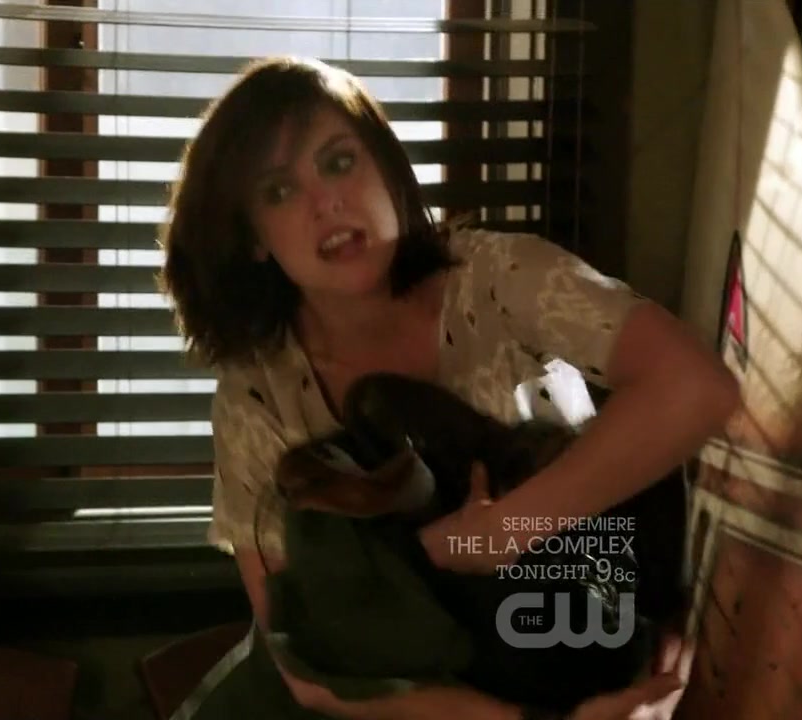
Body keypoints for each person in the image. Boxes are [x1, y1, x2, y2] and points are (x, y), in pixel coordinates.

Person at [157, 56, 740, 720]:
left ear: (386, 167)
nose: (327, 203)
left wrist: (503, 532)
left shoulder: (499, 278)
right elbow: (311, 675)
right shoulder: (255, 398)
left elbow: (697, 388)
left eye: (339, 162)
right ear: (253, 239)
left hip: (557, 654)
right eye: (280, 191)